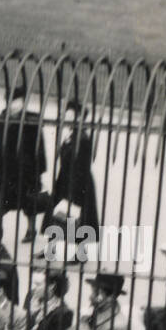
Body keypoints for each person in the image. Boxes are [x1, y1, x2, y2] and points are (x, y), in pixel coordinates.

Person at [0, 87, 48, 243]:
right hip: (6, 170)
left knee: (29, 204)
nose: (14, 104)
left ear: (23, 102)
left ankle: (31, 229)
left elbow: (39, 146)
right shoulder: (4, 116)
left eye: (17, 101)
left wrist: (38, 169)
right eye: (11, 101)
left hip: (25, 170)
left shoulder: (31, 120)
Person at [49, 100, 100, 234]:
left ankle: (73, 249)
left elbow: (80, 165)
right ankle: (56, 246)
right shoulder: (73, 135)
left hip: (77, 181)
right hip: (66, 179)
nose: (65, 117)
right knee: (62, 214)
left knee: (73, 215)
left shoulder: (82, 138)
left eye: (69, 115)